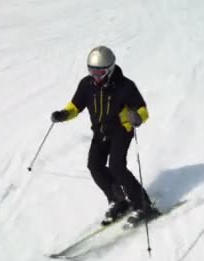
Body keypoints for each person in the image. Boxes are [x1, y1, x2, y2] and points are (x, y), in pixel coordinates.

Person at [51, 46, 159, 227]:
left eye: (99, 72)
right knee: (94, 165)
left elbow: (142, 109)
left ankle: (143, 205)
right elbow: (75, 106)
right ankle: (118, 200)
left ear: (109, 69)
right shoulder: (86, 85)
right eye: (91, 71)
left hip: (121, 131)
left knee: (117, 166)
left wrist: (138, 117)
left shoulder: (125, 86)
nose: (95, 76)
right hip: (100, 132)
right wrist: (63, 115)